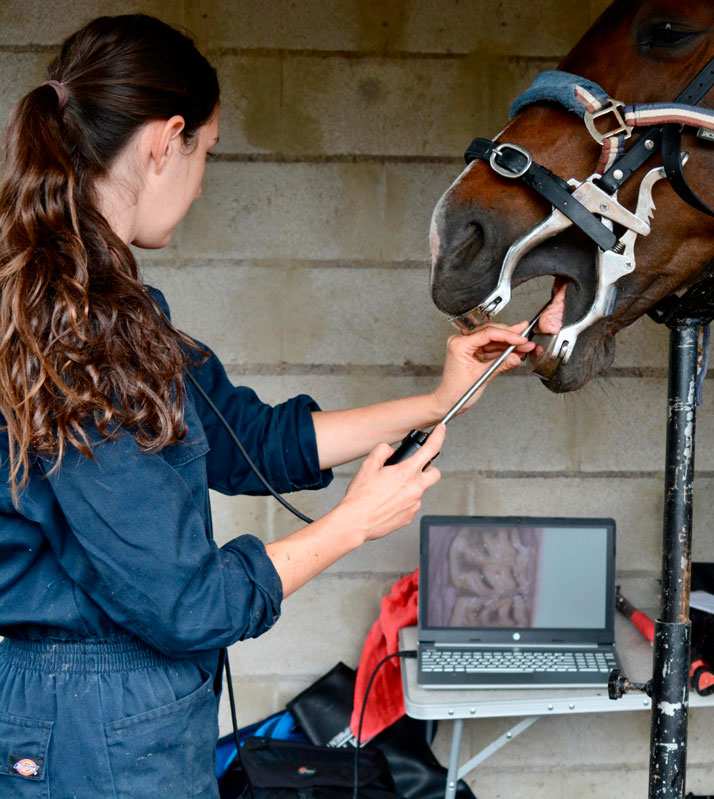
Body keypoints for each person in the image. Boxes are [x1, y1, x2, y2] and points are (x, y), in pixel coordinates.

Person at [0, 14, 543, 798]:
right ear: (165, 139)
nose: (200, 180)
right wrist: (354, 522)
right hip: (89, 727)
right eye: (205, 154)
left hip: (124, 717)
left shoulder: (115, 312)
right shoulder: (82, 338)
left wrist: (435, 398)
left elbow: (249, 439)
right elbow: (189, 603)